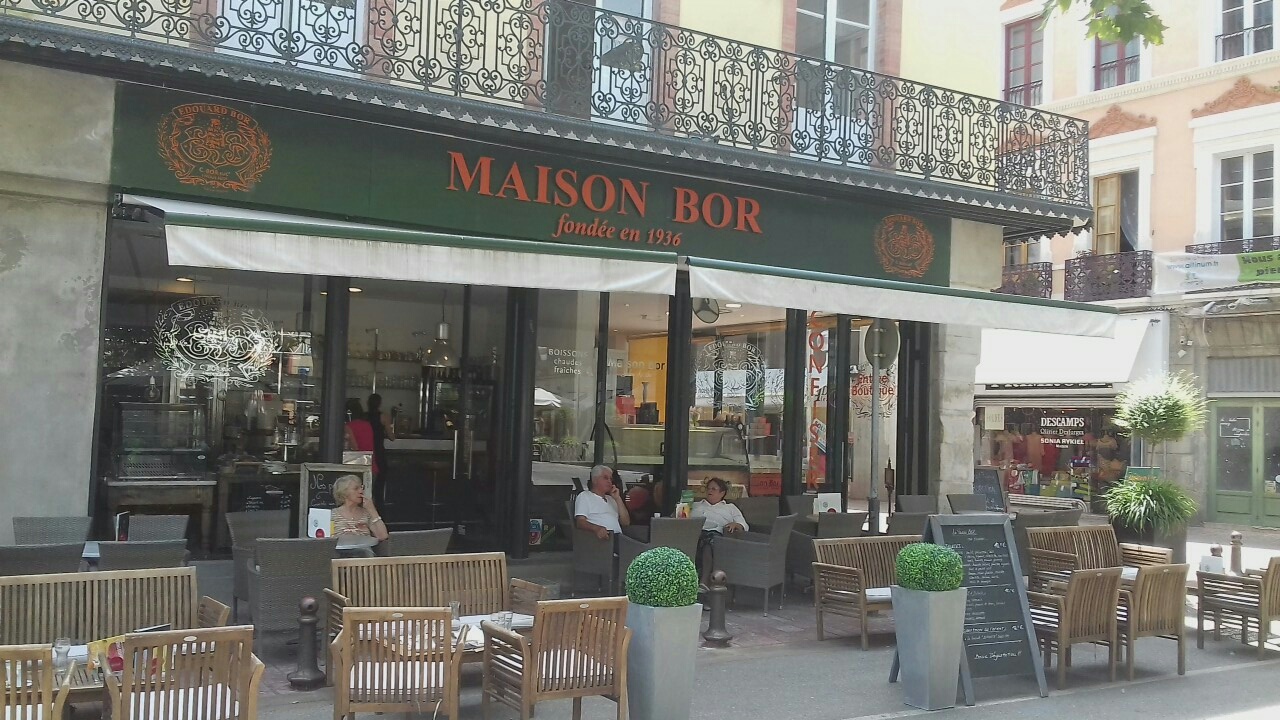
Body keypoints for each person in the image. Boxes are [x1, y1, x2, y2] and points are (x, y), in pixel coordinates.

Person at [691, 477, 748, 579]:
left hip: (716, 535)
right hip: (695, 533)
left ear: (722, 493)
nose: (710, 491)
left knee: (709, 541)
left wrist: (736, 525)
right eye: (708, 488)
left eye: (713, 489)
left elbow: (744, 525)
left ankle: (704, 580)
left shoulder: (730, 507)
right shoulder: (695, 505)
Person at [574, 465, 630, 540]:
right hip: (602, 540)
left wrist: (618, 498)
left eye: (611, 479)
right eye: (605, 478)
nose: (609, 481)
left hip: (619, 538)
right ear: (595, 480)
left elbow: (626, 522)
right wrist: (597, 528)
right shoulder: (585, 496)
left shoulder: (612, 499)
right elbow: (580, 522)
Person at [331, 474, 389, 542]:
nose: (361, 491)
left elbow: (383, 536)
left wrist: (372, 510)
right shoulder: (332, 514)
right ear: (344, 492)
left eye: (362, 488)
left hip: (364, 548)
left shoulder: (366, 513)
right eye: (356, 489)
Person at [366, 393, 395, 503]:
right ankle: (378, 507)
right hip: (378, 451)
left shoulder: (363, 416)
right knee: (379, 483)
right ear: (379, 403)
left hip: (365, 451)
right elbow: (391, 437)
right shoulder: (384, 417)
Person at [343, 399, 377, 475]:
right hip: (371, 465)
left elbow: (354, 447)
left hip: (358, 466)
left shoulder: (348, 427)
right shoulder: (368, 425)